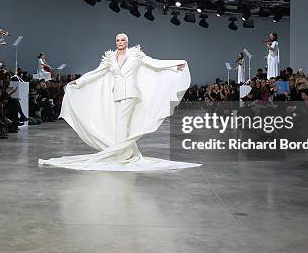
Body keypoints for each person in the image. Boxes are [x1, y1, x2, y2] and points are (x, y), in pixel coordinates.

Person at [39, 33, 199, 171]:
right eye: (117, 40)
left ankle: (121, 155)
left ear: (127, 42)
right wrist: (79, 82)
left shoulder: (136, 55)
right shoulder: (110, 58)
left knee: (122, 122)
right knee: (121, 124)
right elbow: (96, 72)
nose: (120, 42)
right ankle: (126, 153)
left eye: (122, 40)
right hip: (117, 94)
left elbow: (153, 63)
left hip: (131, 93)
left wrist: (172, 66)